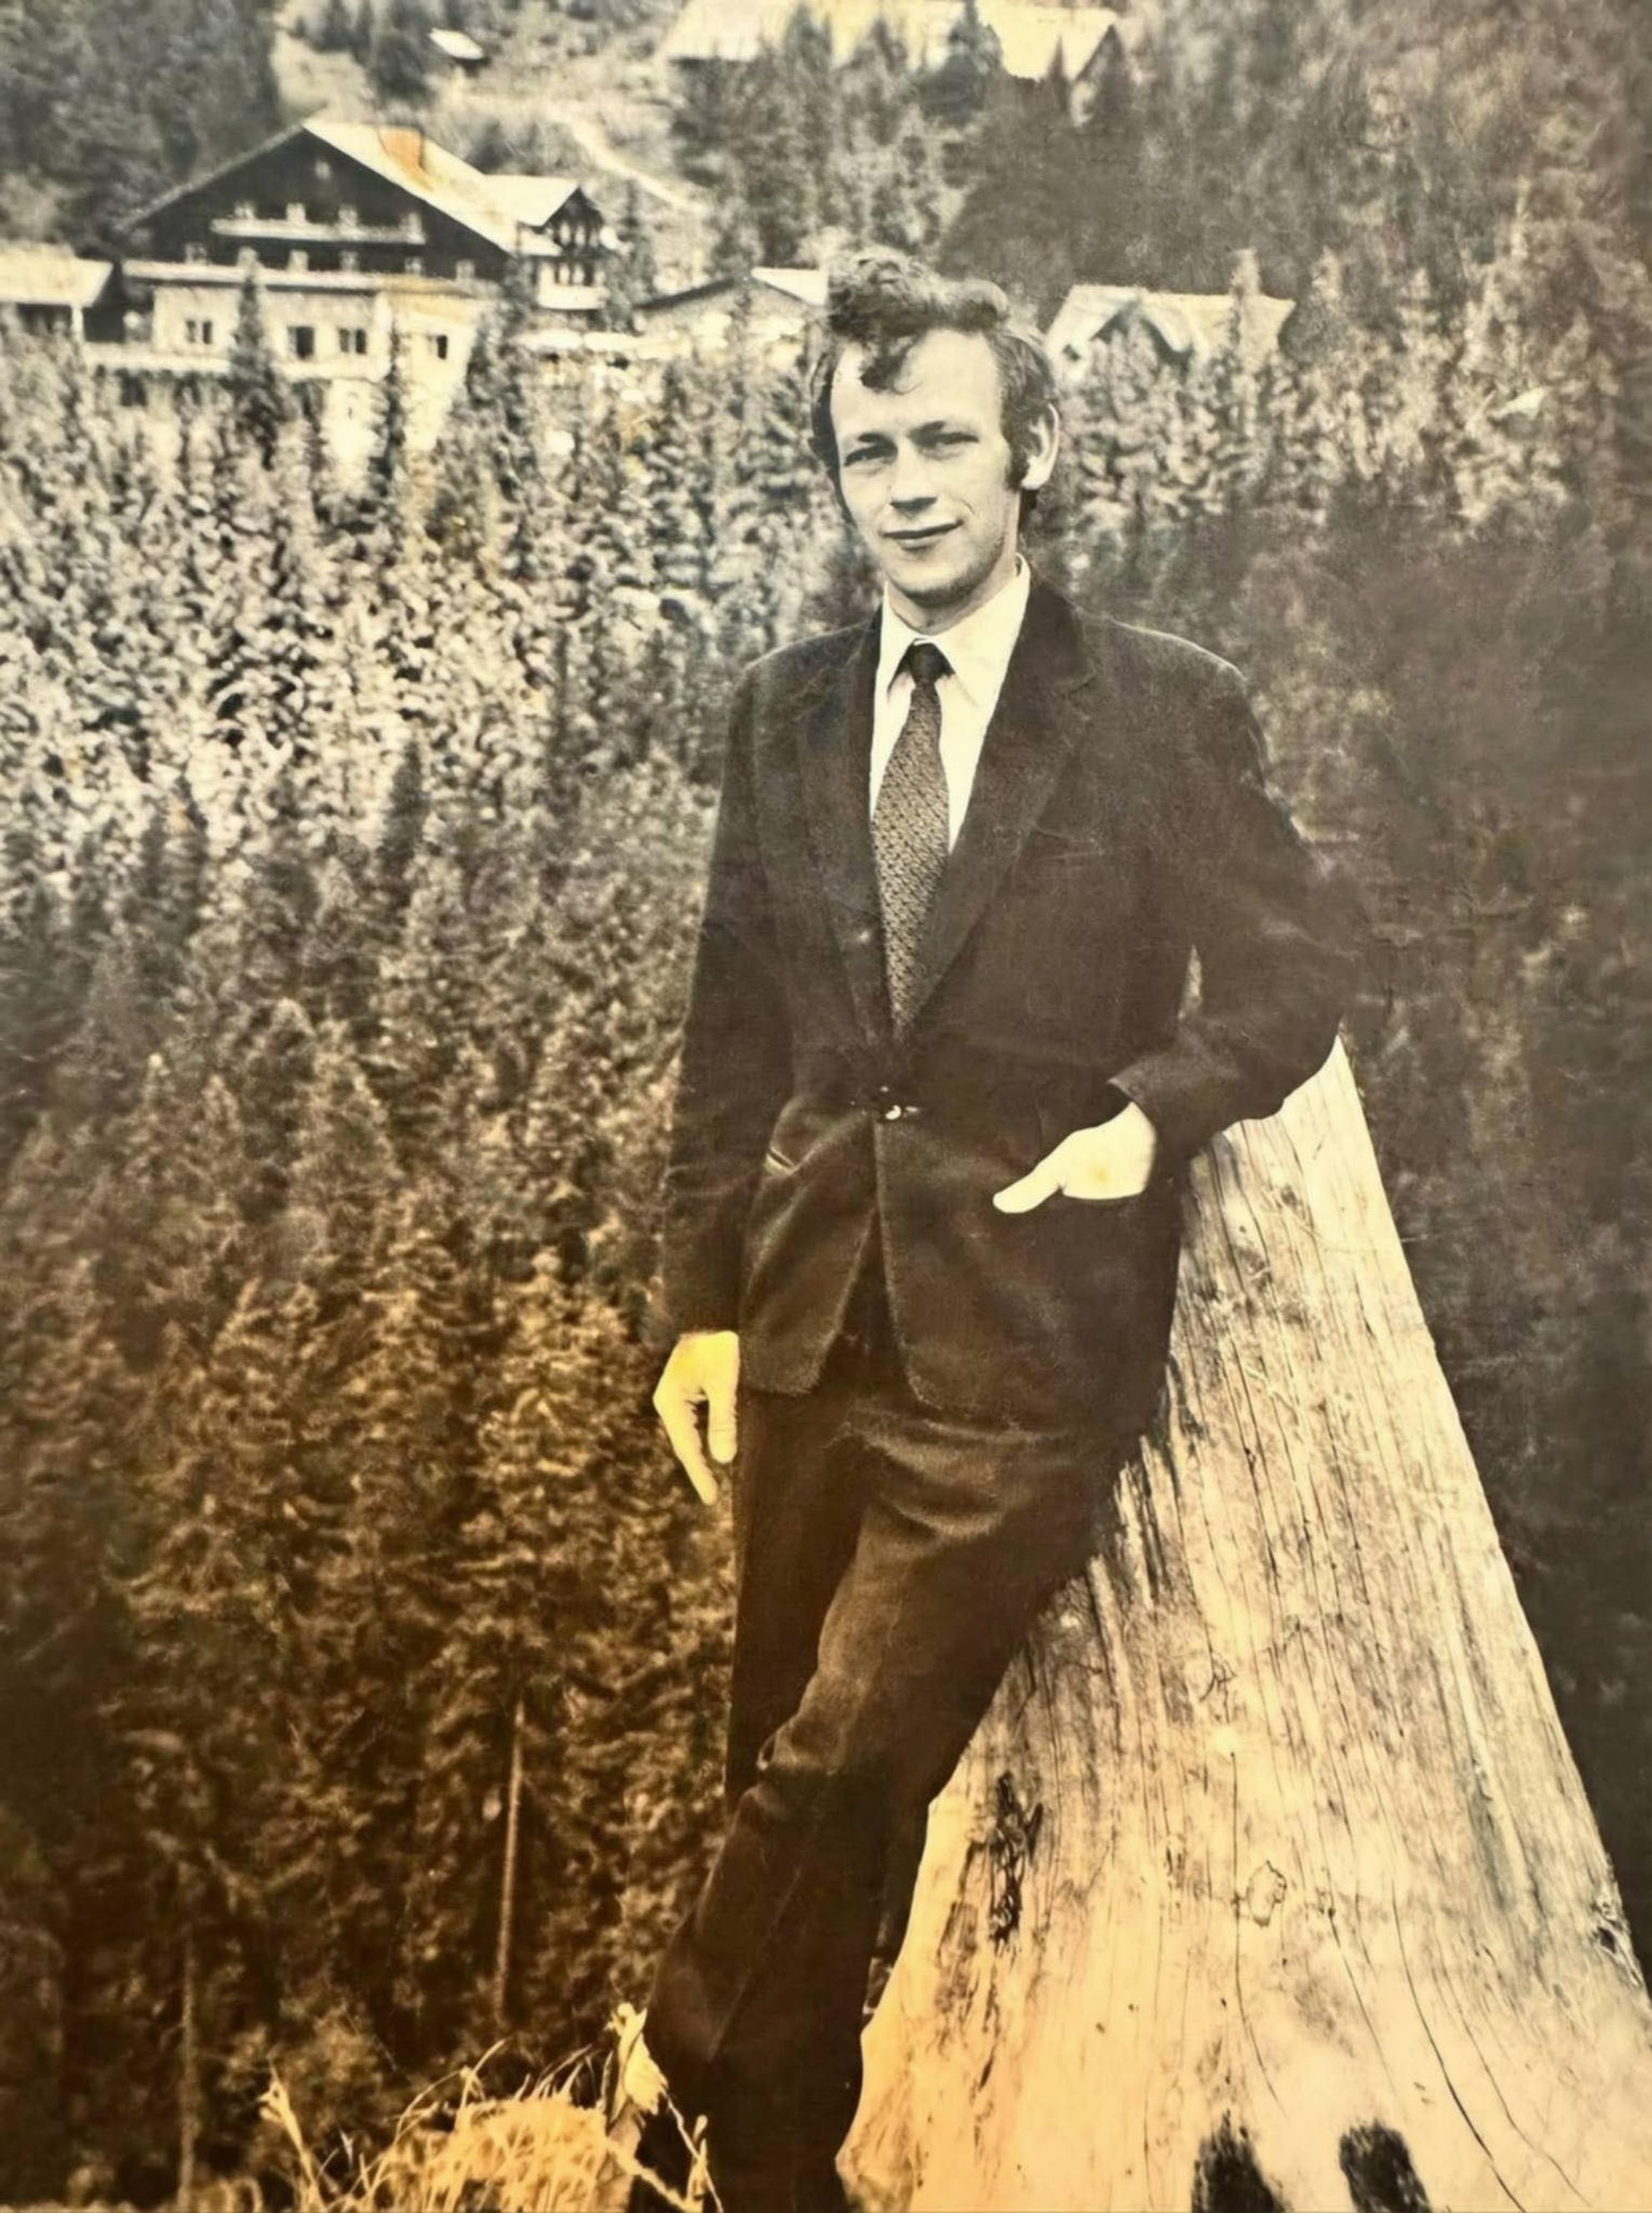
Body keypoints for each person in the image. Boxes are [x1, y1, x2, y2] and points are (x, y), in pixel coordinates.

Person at [624, 250, 1353, 2212]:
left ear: (1031, 449)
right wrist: (701, 1312)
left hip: (1025, 1349)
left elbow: (1299, 972)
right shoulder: (783, 714)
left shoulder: (1160, 710)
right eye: (869, 452)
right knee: (786, 1787)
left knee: (839, 1767)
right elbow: (730, 1033)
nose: (907, 487)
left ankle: (661, 2093)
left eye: (944, 441)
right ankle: (768, 2180)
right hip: (807, 1332)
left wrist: (1151, 1117)